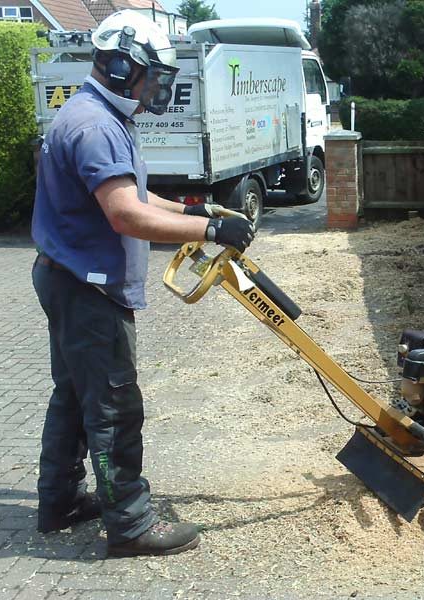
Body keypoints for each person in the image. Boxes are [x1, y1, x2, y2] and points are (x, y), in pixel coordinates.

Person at [30, 10, 254, 557]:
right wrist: (210, 228)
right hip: (88, 290)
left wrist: (189, 208)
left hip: (67, 278)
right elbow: (125, 216)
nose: (155, 88)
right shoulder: (97, 127)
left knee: (74, 395)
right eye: (150, 75)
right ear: (121, 66)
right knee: (112, 407)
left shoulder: (93, 114)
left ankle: (58, 501)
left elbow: (134, 196)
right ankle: (129, 526)